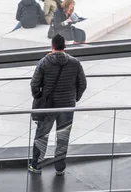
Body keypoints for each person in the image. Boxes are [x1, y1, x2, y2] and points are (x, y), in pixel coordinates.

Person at [28, 34, 87, 176]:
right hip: (67, 106)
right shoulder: (75, 62)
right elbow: (83, 84)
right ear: (65, 46)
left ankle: (36, 165)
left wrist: (38, 97)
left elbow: (34, 84)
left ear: (52, 46)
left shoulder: (44, 62)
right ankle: (60, 167)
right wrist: (75, 98)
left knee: (42, 135)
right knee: (63, 135)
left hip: (48, 106)